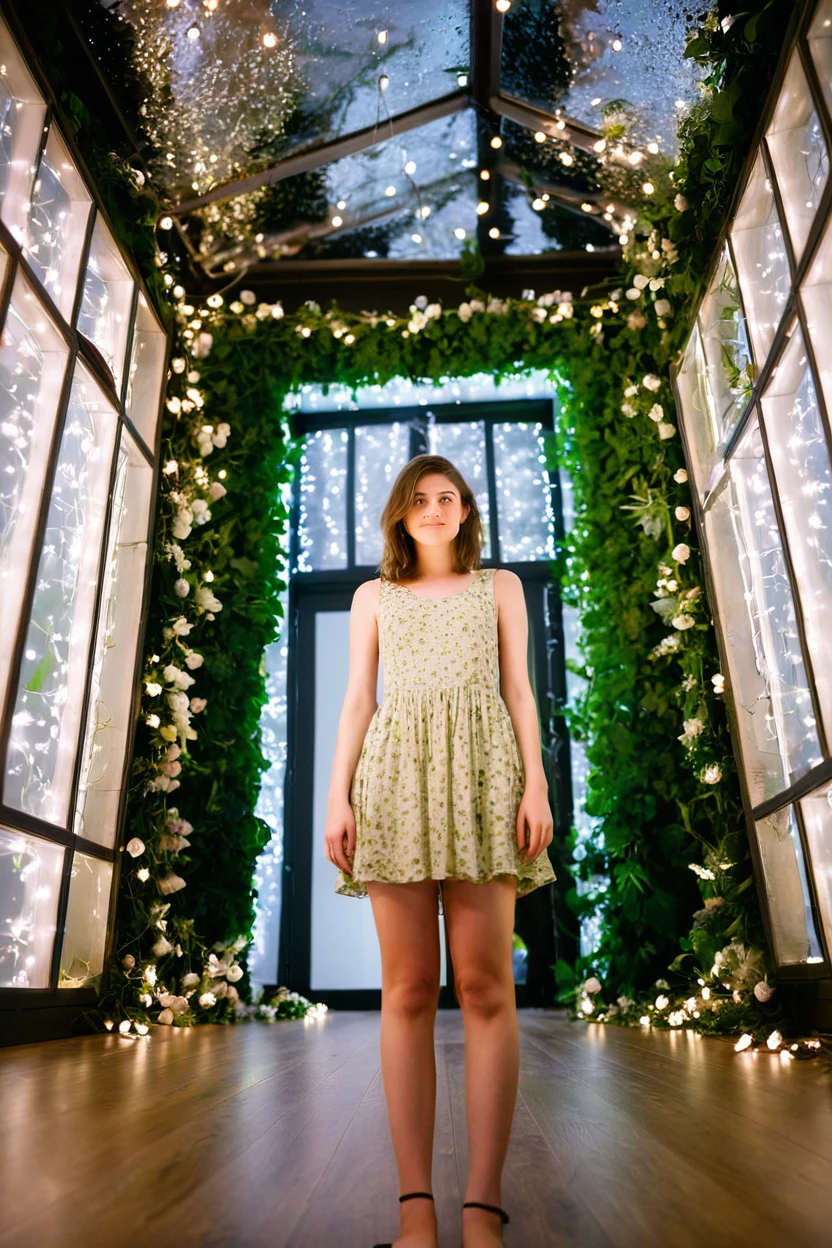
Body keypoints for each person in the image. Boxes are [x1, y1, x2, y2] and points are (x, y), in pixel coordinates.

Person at [323, 454, 556, 1248]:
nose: (432, 508)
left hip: (486, 774)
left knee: (488, 986)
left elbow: (520, 691)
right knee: (410, 988)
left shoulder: (502, 588)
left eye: (446, 497)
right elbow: (359, 699)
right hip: (392, 781)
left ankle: (482, 1207)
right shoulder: (372, 598)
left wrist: (537, 788)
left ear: (465, 514)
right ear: (399, 514)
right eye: (418, 498)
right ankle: (414, 1211)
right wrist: (337, 797)